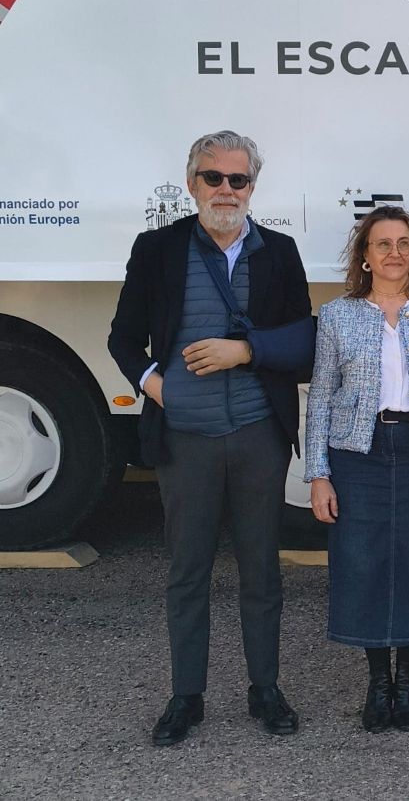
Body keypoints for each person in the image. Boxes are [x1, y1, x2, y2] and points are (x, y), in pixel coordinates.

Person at [108, 131, 315, 747]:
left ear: (253, 186)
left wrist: (244, 351)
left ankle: (265, 689)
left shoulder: (279, 252)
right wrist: (156, 385)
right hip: (186, 437)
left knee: (261, 569)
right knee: (187, 571)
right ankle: (186, 696)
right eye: (213, 177)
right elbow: (124, 338)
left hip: (257, 434)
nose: (225, 189)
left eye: (237, 179)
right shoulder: (158, 249)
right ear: (191, 182)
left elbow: (302, 342)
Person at [305, 206, 409, 733]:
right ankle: (378, 681)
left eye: (404, 243)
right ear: (365, 255)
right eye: (383, 244)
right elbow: (321, 396)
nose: (394, 253)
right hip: (359, 454)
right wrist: (318, 473)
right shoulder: (338, 315)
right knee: (364, 563)